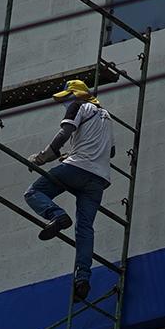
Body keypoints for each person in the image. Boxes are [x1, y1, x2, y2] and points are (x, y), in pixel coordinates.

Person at [24, 79, 113, 302]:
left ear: (76, 95)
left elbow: (64, 133)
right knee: (85, 229)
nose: (65, 104)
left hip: (77, 168)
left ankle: (57, 216)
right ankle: (82, 278)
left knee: (33, 193)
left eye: (66, 98)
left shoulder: (80, 106)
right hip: (98, 179)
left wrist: (43, 157)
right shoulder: (106, 116)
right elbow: (109, 151)